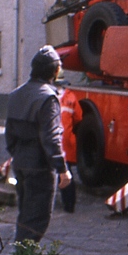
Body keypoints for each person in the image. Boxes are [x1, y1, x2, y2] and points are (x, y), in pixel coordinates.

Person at [5, 46, 73, 255]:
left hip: (21, 162)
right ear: (54, 71)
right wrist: (62, 168)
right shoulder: (48, 98)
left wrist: (17, 155)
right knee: (37, 218)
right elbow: (51, 138)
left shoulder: (16, 94)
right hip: (40, 166)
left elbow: (9, 134)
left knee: (26, 213)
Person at [57, 74, 81, 213]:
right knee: (66, 171)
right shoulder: (71, 97)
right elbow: (78, 117)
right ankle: (70, 204)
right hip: (68, 140)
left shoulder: (49, 97)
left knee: (53, 172)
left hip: (54, 139)